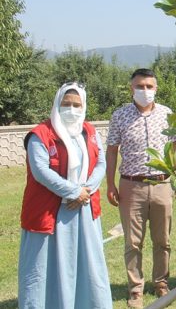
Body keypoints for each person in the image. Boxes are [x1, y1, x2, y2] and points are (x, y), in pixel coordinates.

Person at [18, 82, 113, 308]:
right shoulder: (40, 135)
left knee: (88, 264)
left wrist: (85, 191)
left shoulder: (89, 132)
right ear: (57, 104)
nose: (71, 109)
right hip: (49, 213)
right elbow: (41, 171)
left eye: (76, 105)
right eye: (66, 104)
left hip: (83, 209)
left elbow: (101, 162)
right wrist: (73, 192)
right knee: (43, 267)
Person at [106, 68, 174, 308]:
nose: (145, 91)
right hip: (130, 185)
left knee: (162, 239)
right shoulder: (120, 116)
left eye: (149, 87)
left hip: (161, 183)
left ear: (156, 88)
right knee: (133, 242)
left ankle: (161, 283)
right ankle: (135, 289)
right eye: (140, 86)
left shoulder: (167, 114)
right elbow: (112, 150)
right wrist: (110, 183)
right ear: (131, 88)